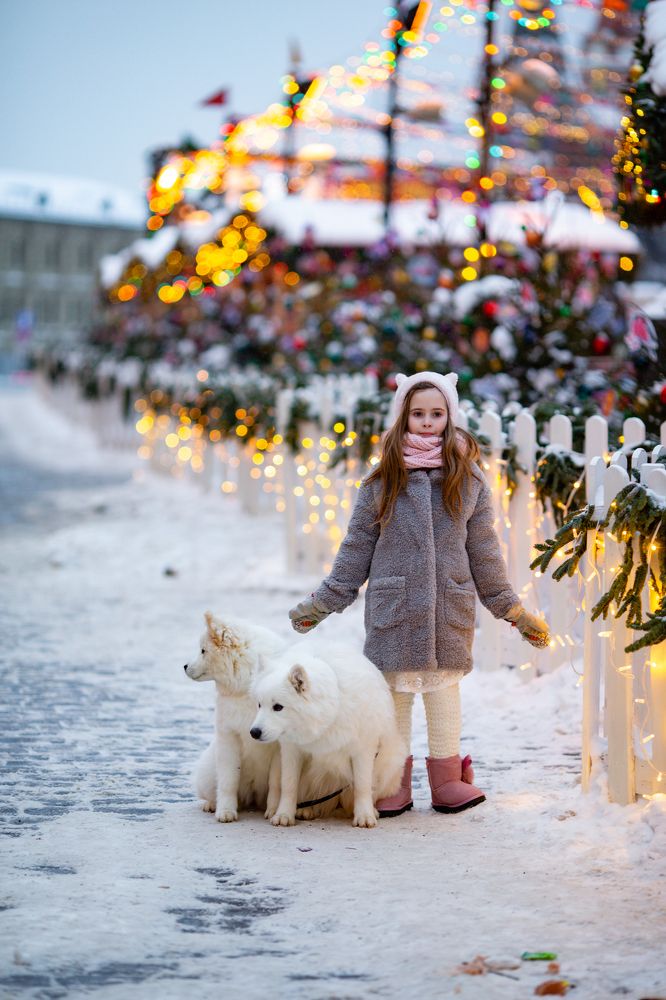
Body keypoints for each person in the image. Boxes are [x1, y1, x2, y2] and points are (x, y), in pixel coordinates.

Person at [289, 371, 549, 816]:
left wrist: (511, 610)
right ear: (403, 418)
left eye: (437, 413)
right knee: (395, 699)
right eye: (418, 414)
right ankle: (393, 781)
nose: (427, 422)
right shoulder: (382, 481)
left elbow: (485, 552)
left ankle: (448, 782)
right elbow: (356, 548)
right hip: (395, 611)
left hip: (448, 610)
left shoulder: (468, 480)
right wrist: (325, 602)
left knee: (444, 696)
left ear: (450, 417)